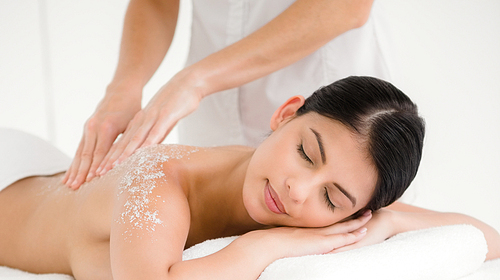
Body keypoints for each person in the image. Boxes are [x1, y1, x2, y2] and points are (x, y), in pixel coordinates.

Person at [0, 77, 498, 280]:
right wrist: (264, 246)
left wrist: (392, 219)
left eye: (332, 197)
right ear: (285, 115)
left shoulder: (337, 202)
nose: (299, 190)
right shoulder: (157, 180)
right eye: (306, 152)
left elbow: (486, 238)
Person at [63, 0, 392, 189]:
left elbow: (346, 7)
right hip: (209, 114)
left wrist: (196, 81)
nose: (294, 191)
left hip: (329, 114)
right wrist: (124, 88)